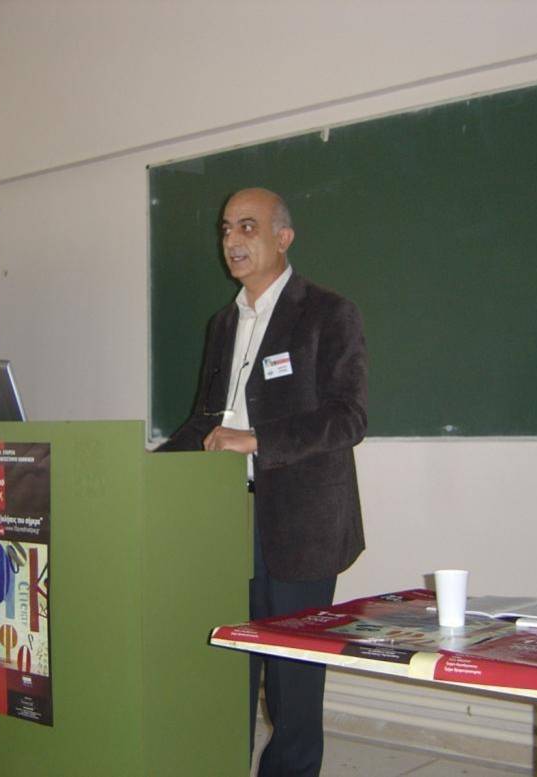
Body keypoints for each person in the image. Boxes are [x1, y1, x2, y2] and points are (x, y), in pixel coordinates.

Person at [157, 187, 368, 776]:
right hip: (226, 518)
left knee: (293, 681)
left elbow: (348, 417)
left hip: (303, 522)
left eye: (247, 227)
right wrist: (148, 467)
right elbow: (205, 421)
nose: (232, 240)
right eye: (226, 228)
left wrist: (257, 440)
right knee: (230, 665)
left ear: (284, 237)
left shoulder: (327, 312)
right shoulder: (223, 323)